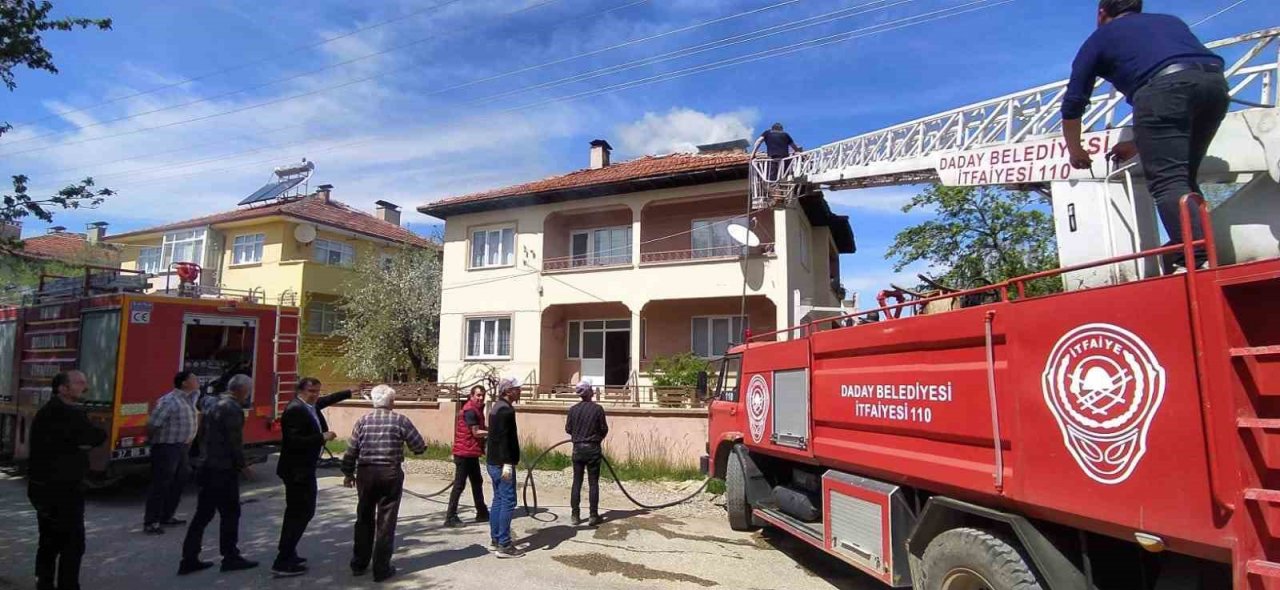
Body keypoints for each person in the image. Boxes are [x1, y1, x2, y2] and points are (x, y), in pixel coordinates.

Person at [1061, 0, 1228, 272]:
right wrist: (1138, 143)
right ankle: (1203, 250)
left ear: (1101, 12)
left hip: (1162, 90)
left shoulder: (1100, 38)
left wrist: (1075, 150)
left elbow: (1074, 101)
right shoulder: (1171, 22)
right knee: (1183, 178)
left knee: (1169, 181)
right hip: (1215, 86)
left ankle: (1197, 260)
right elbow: (1179, 92)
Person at [27, 370, 107, 590]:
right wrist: (86, 442)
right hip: (61, 490)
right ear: (63, 388)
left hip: (45, 488)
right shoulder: (66, 413)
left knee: (49, 541)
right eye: (79, 383)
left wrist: (84, 442)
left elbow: (86, 439)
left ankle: (44, 583)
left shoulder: (52, 410)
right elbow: (95, 436)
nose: (85, 386)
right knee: (72, 544)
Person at [341, 385, 428, 582]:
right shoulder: (400, 420)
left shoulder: (362, 421)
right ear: (391, 402)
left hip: (366, 472)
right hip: (389, 473)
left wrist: (348, 472)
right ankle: (381, 568)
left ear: (373, 401)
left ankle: (359, 563)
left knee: (364, 517)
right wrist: (418, 449)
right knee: (386, 521)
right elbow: (418, 446)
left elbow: (351, 449)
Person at [179, 374, 258, 575]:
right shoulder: (232, 409)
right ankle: (230, 556)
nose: (247, 395)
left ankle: (189, 558)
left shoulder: (212, 403)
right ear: (242, 390)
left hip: (207, 465)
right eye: (247, 391)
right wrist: (243, 466)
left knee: (202, 515)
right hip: (222, 470)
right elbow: (234, 442)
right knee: (231, 513)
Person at [272, 378, 351, 576]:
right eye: (311, 391)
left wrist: (349, 391)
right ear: (299, 390)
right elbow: (294, 441)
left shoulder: (309, 406)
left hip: (305, 468)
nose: (315, 395)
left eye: (317, 390)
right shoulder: (295, 410)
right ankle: (283, 560)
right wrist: (321, 437)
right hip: (296, 471)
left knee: (300, 512)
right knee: (300, 513)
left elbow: (326, 400)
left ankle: (289, 552)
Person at [144, 371, 201, 535]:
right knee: (161, 483)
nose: (197, 381)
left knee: (179, 481)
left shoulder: (190, 398)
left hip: (182, 447)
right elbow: (153, 424)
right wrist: (153, 441)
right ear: (184, 383)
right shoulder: (169, 401)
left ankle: (166, 516)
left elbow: (197, 395)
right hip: (166, 447)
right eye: (194, 379)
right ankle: (151, 522)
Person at [486, 378, 524, 559]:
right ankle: (504, 545)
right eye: (517, 389)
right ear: (508, 391)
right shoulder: (506, 410)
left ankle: (495, 540)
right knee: (508, 501)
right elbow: (504, 440)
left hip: (493, 461)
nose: (520, 391)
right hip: (503, 464)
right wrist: (508, 463)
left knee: (498, 500)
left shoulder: (495, 408)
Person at [565, 381, 609, 527]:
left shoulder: (573, 410)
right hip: (593, 449)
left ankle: (575, 515)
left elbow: (568, 429)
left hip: (577, 449)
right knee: (593, 483)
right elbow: (604, 429)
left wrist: (578, 436)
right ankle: (593, 515)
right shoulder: (597, 409)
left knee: (577, 482)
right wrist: (597, 439)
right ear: (589, 392)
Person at [444, 385, 489, 528]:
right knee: (459, 485)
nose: (480, 398)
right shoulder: (470, 410)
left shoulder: (476, 409)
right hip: (464, 453)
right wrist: (493, 432)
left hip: (471, 452)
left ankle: (481, 512)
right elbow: (476, 432)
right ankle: (450, 517)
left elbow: (480, 429)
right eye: (478, 395)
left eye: (482, 395)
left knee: (477, 481)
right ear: (471, 395)